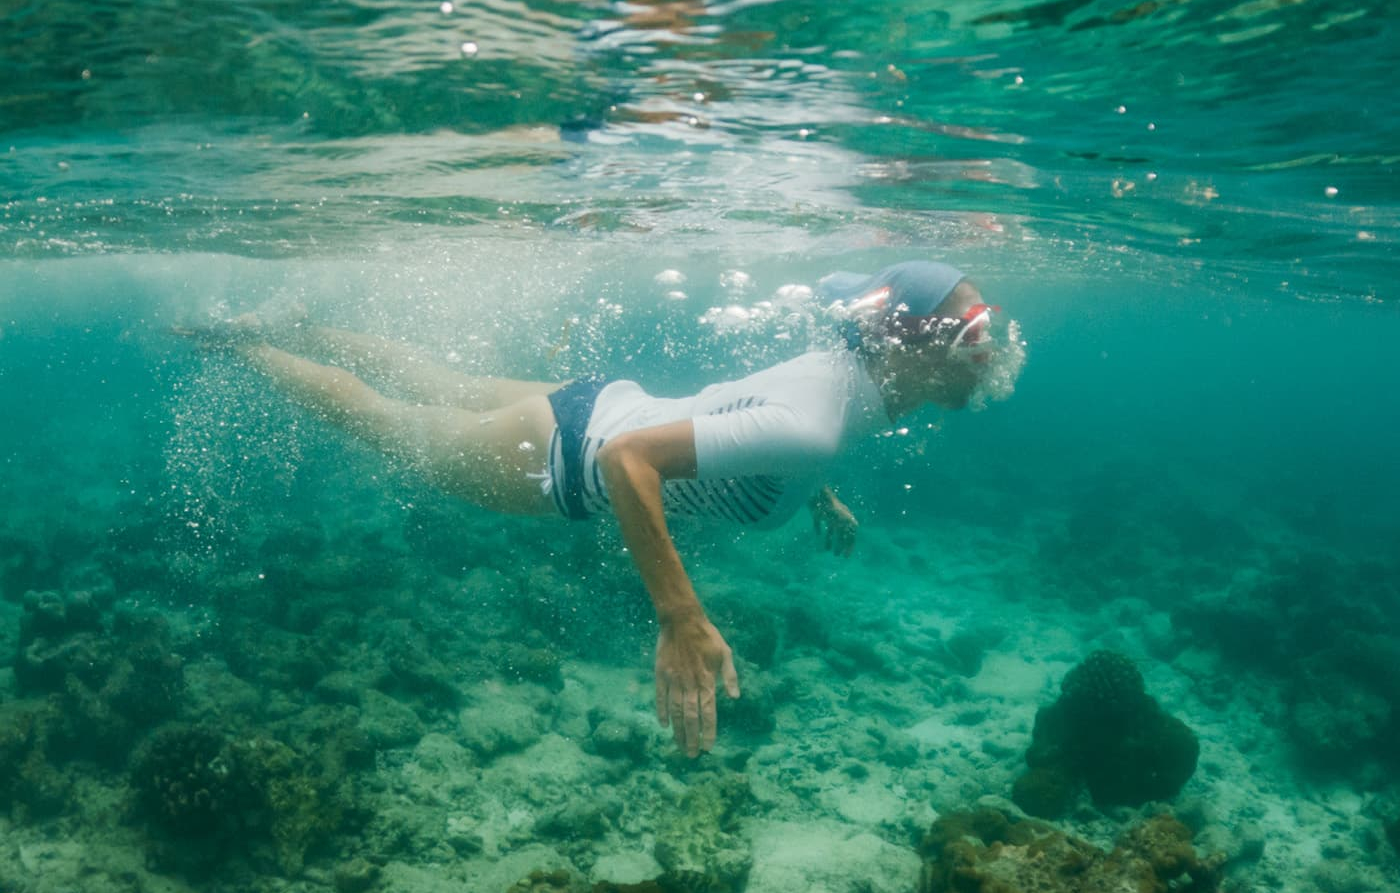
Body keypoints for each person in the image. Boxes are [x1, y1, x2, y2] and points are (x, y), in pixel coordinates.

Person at [180, 261, 1018, 758]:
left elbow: (757, 418)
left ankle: (301, 325)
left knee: (440, 384)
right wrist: (679, 617)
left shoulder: (842, 386)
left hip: (596, 404)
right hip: (566, 457)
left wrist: (812, 496)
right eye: (970, 329)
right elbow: (630, 462)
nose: (988, 347)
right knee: (389, 422)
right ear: (908, 344)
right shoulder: (820, 426)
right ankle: (235, 343)